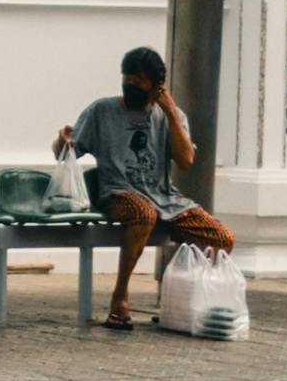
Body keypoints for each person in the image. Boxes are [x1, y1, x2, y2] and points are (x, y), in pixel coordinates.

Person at [64, 47, 236, 325]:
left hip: (164, 198)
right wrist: (62, 141)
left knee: (221, 238)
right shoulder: (102, 110)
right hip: (119, 193)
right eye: (127, 78)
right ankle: (120, 295)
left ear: (156, 85)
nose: (131, 85)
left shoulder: (170, 116)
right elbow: (71, 148)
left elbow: (186, 161)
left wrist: (169, 112)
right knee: (144, 214)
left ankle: (183, 301)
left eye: (138, 81)